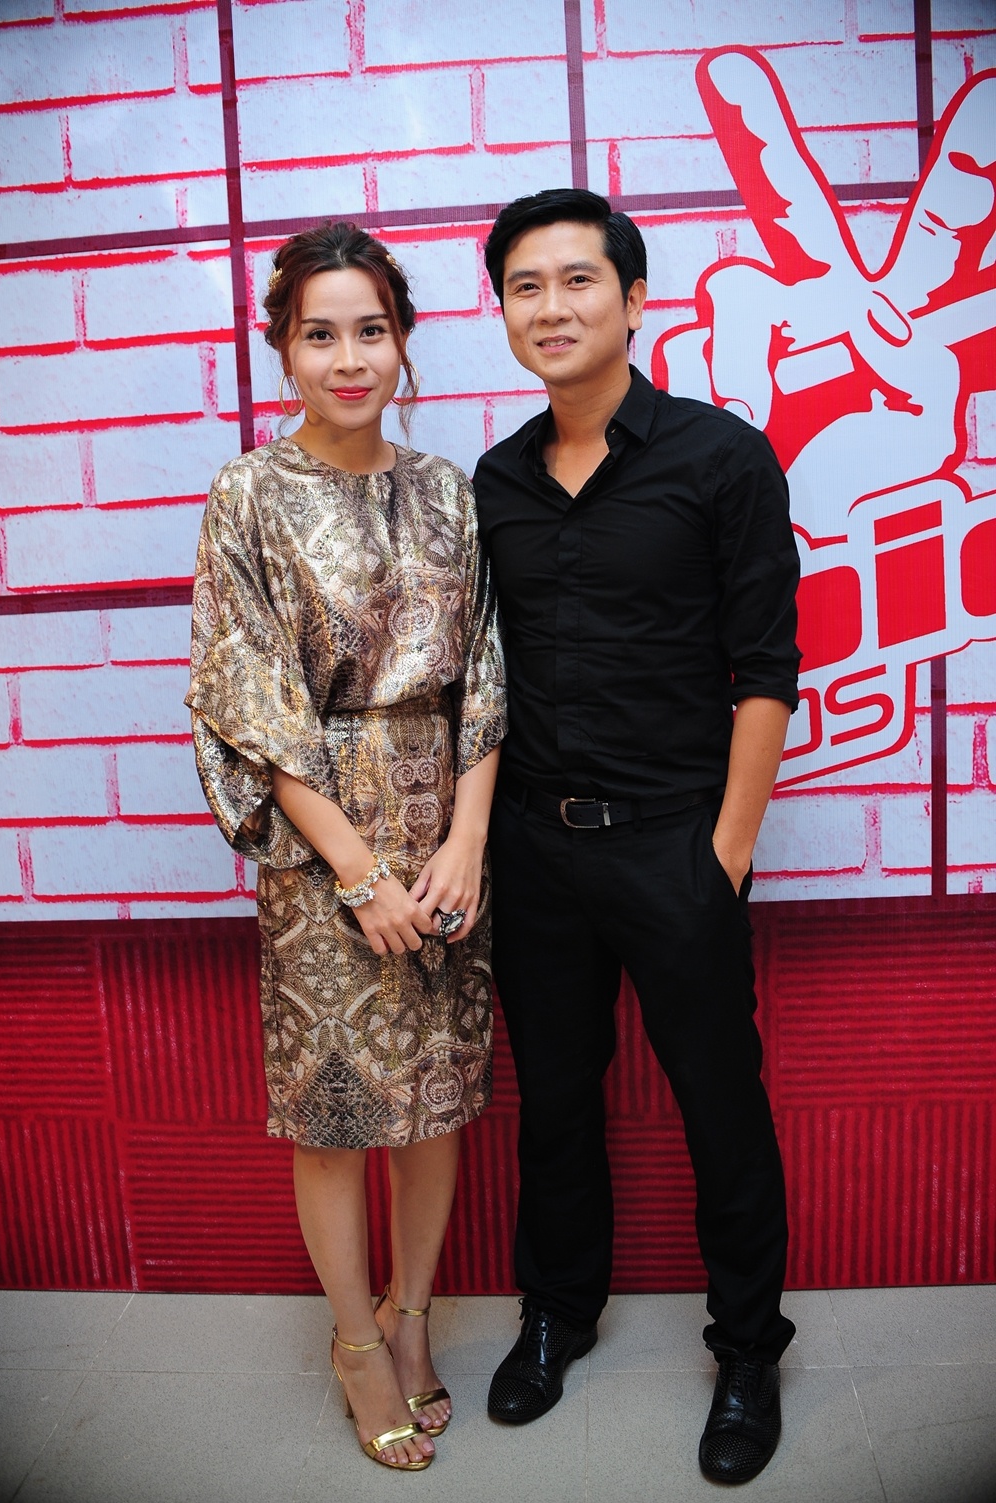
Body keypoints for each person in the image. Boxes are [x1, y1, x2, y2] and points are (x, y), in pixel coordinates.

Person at [473, 188, 800, 1485]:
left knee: (721, 1103)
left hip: (675, 845)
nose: (551, 307)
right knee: (554, 1102)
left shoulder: (721, 458)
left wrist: (724, 854)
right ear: (503, 311)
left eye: (577, 280)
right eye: (525, 286)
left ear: (634, 298)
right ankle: (557, 1313)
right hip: (533, 850)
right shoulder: (495, 480)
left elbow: (764, 672)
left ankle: (748, 1349)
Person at [186, 221, 505, 1472]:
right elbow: (252, 700)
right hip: (319, 833)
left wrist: (466, 841)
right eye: (320, 334)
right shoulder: (249, 495)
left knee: (434, 1099)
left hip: (444, 826)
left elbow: (483, 675)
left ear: (404, 339)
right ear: (283, 349)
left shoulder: (447, 491)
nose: (349, 357)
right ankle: (355, 1341)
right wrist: (358, 873)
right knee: (334, 1111)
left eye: (371, 329)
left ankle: (412, 1316)